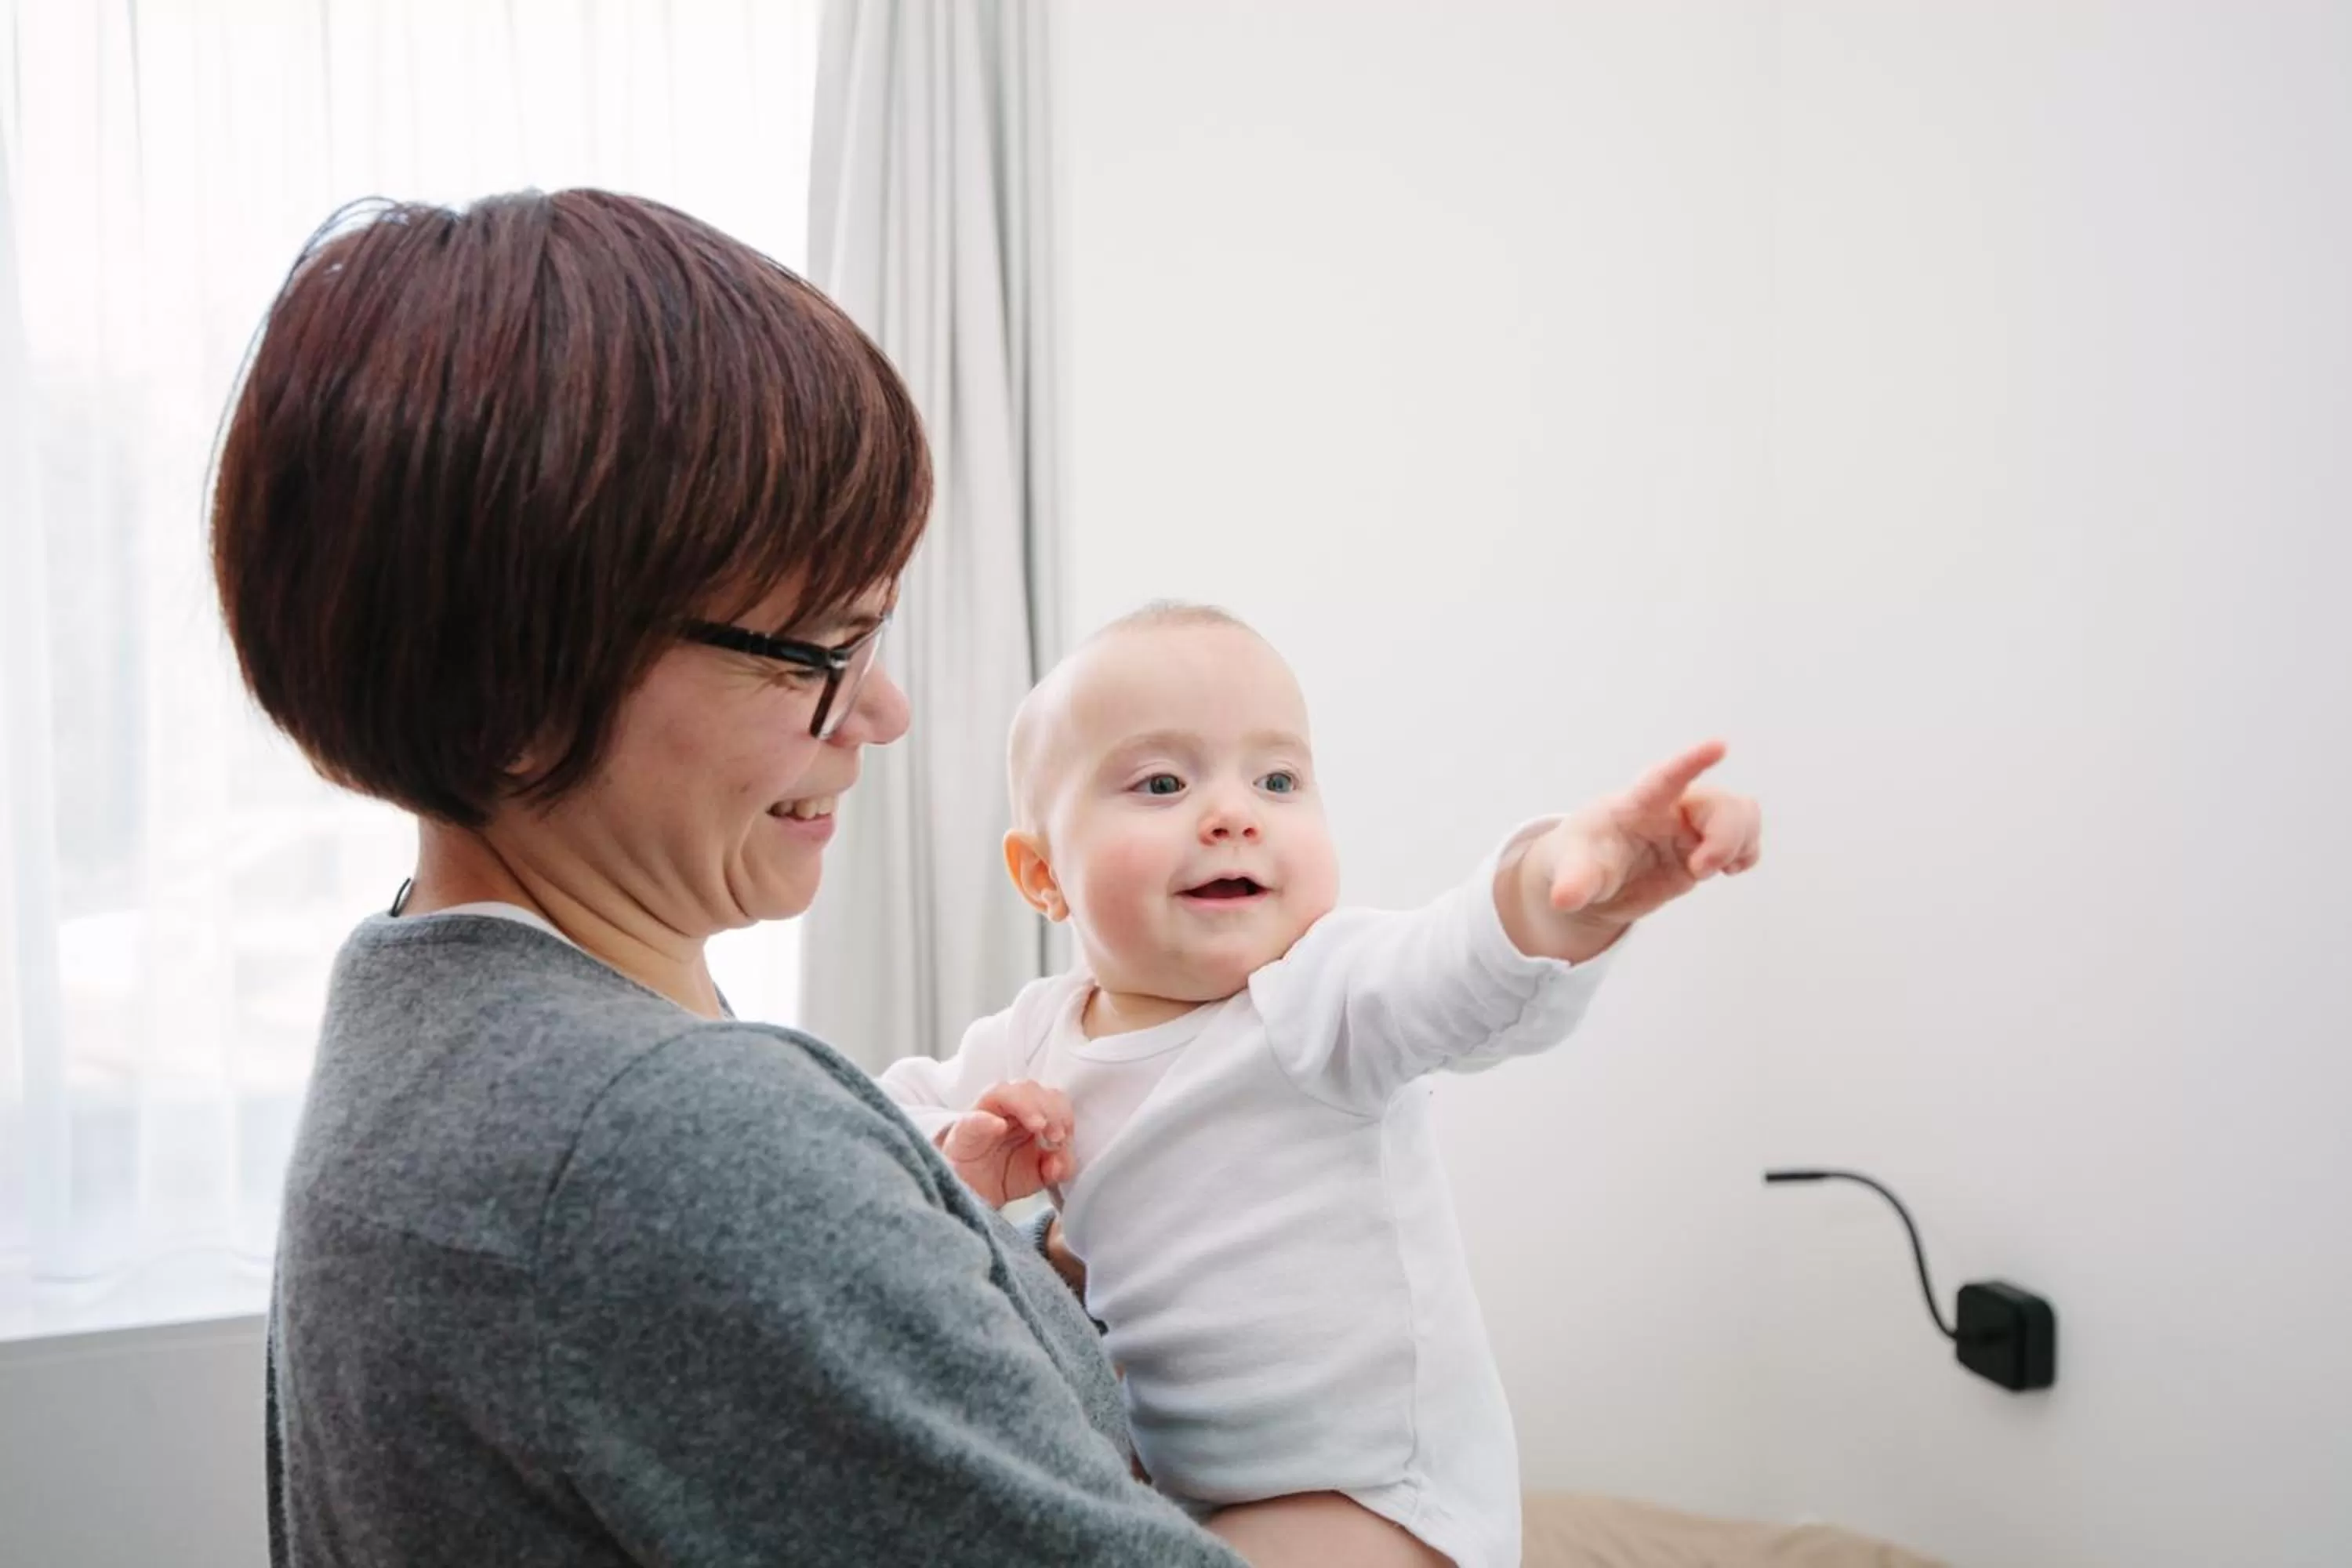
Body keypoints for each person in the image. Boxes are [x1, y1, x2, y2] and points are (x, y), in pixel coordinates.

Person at [212, 190, 1250, 1566]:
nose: (880, 712)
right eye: (819, 647)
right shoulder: (660, 1136)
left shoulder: (420, 1003)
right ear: (522, 683)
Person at [880, 603, 1764, 1568]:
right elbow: (860, 1120)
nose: (1233, 812)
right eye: (1163, 781)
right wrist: (954, 1146)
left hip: (1371, 1493)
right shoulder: (1034, 1034)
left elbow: (1456, 961)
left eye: (1277, 777)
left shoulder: (1315, 994)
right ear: (1043, 874)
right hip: (1189, 1487)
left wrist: (1572, 881)